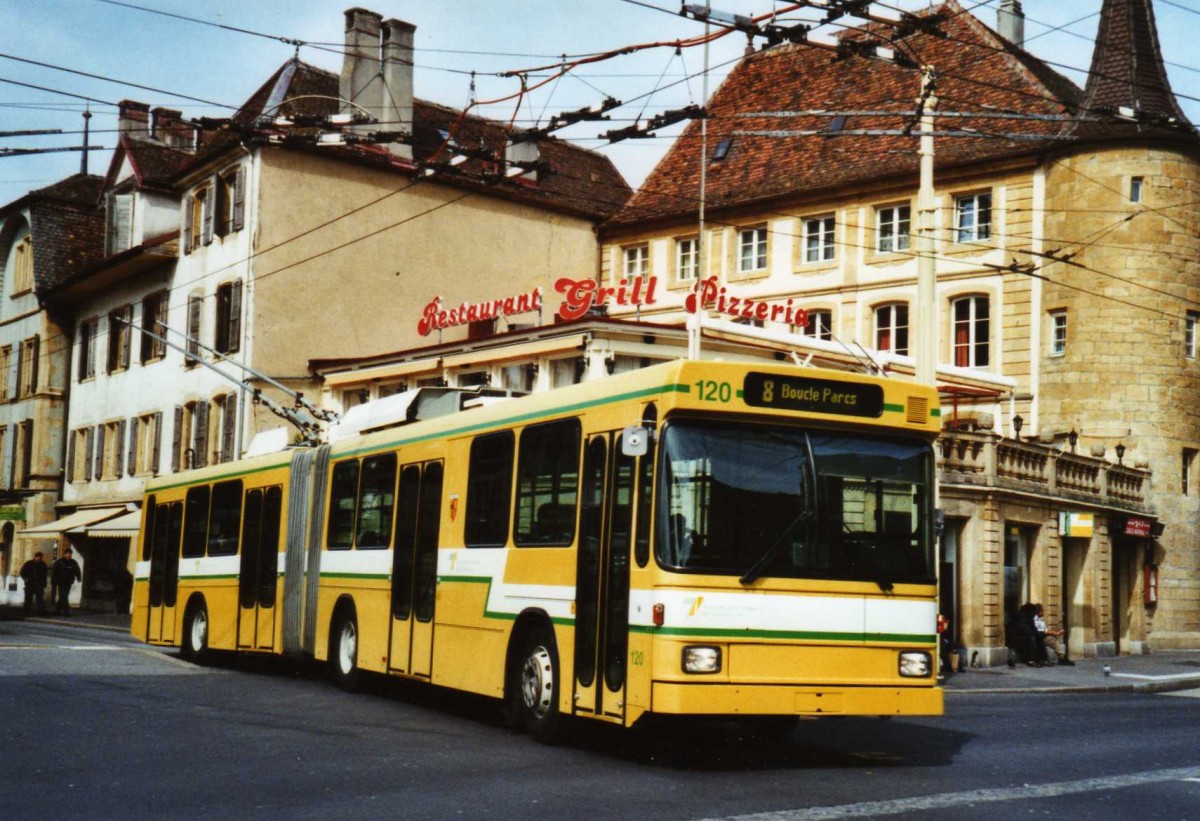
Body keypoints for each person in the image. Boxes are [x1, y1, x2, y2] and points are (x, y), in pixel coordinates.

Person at [51, 548, 82, 616]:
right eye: (67, 554)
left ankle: (58, 610)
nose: (68, 555)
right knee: (64, 596)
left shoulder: (73, 562)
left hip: (69, 581)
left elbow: (77, 570)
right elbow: (54, 572)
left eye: (70, 554)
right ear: (65, 554)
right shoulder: (60, 562)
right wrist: (54, 581)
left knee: (63, 596)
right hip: (61, 582)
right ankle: (66, 611)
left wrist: (78, 577)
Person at [19, 551, 47, 616]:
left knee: (39, 599)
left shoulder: (43, 564)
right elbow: (22, 572)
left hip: (39, 584)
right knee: (28, 599)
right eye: (38, 558)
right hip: (30, 583)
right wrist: (26, 579)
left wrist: (44, 584)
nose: (39, 559)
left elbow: (44, 575)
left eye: (40, 558)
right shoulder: (28, 563)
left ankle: (41, 613)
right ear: (35, 557)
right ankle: (26, 612)